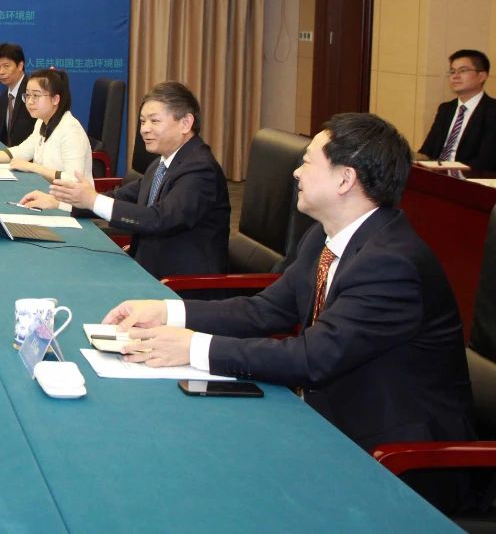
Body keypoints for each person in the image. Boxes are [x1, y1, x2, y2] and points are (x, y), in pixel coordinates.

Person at [101, 112, 474, 511]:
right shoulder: (324, 237)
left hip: (397, 458)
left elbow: (312, 357)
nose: (296, 172)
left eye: (308, 162)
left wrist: (192, 347)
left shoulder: (391, 263)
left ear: (345, 179)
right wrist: (168, 312)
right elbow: (265, 310)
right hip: (327, 419)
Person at [19, 81, 229, 278]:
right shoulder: (161, 163)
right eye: (142, 121)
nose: (144, 129)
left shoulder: (200, 169)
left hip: (180, 283)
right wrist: (60, 203)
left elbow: (159, 219)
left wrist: (92, 200)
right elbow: (121, 196)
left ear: (186, 123)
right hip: (148, 265)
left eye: (154, 121)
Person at [0, 67, 93, 182]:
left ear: (55, 99)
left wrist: (32, 167)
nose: (29, 102)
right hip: (46, 193)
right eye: (27, 95)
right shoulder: (41, 122)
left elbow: (74, 180)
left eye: (36, 96)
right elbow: (22, 151)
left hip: (70, 202)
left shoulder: (70, 130)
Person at [418, 49, 496, 170]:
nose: (455, 76)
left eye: (463, 71)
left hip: (468, 177)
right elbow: (427, 150)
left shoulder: (492, 111)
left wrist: (446, 168)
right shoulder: (446, 109)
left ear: (481, 76)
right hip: (436, 173)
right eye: (452, 71)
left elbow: (486, 161)